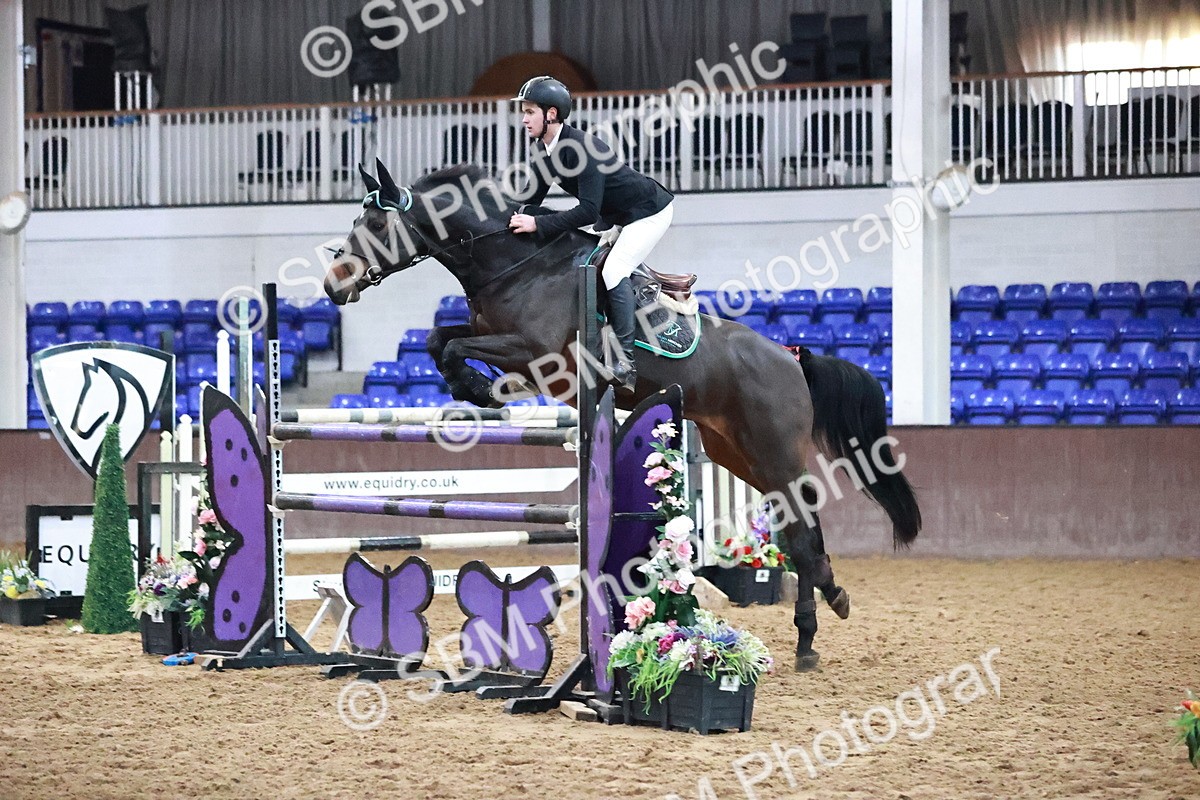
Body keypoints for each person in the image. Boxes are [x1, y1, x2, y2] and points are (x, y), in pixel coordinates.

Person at [508, 76, 674, 395]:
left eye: (530, 112)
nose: (524, 119)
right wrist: (511, 218)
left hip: (648, 212)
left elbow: (587, 212)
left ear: (551, 114)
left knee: (614, 270)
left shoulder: (583, 148)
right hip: (617, 216)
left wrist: (536, 224)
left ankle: (626, 363)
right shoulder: (544, 150)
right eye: (524, 112)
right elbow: (532, 203)